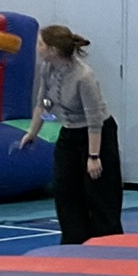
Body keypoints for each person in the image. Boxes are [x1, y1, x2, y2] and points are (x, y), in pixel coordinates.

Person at [16, 24, 123, 244]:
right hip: (70, 132)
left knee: (99, 194)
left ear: (53, 50)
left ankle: (108, 242)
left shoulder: (84, 77)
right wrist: (32, 132)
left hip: (97, 135)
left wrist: (93, 156)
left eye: (40, 44)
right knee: (65, 190)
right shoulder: (47, 68)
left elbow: (94, 119)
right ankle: (74, 241)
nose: (37, 48)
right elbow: (43, 102)